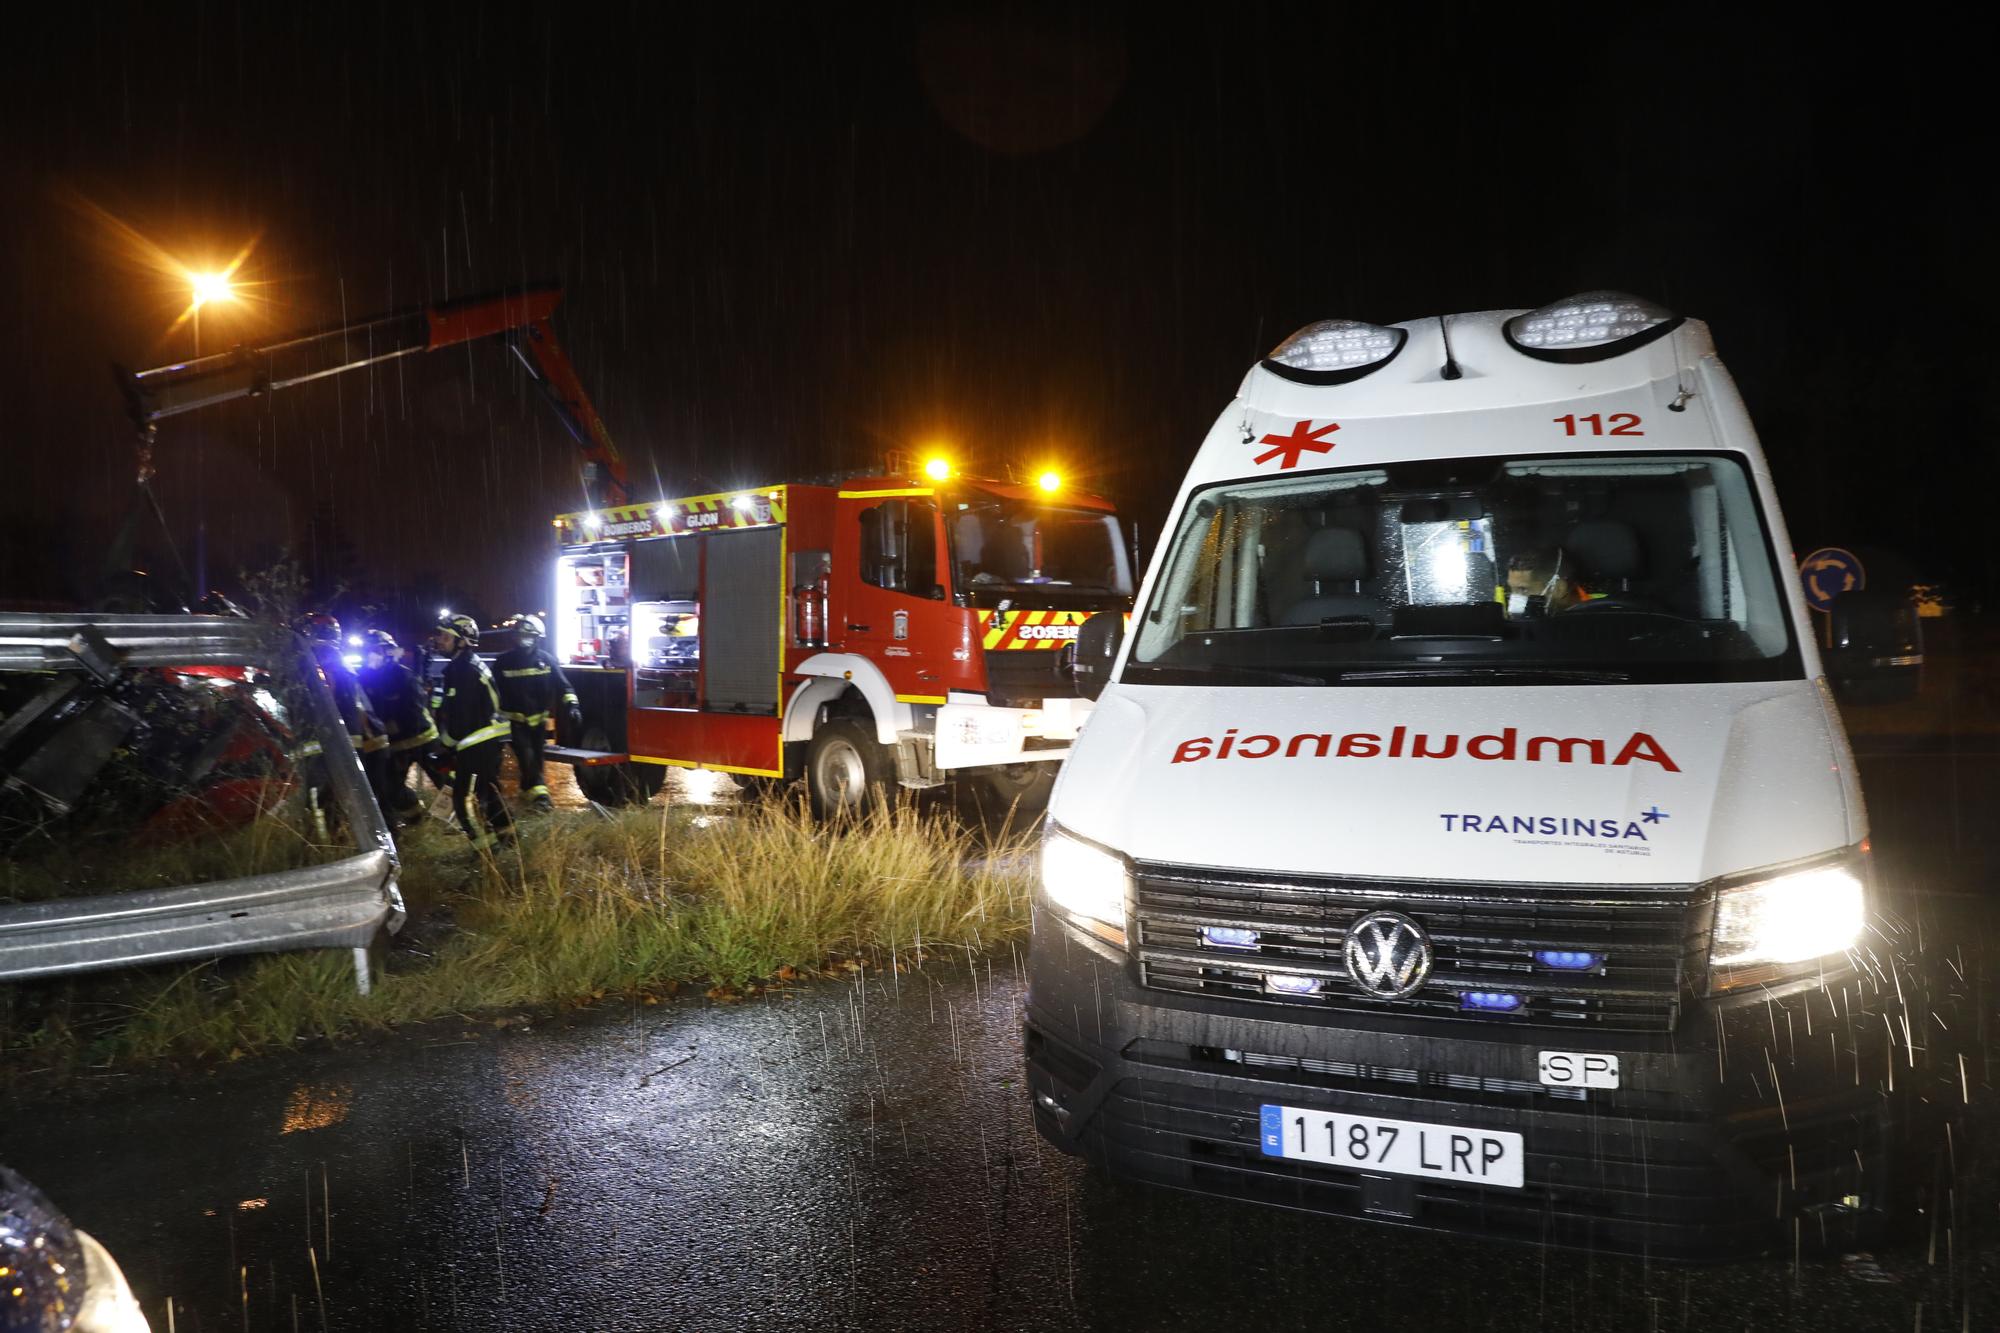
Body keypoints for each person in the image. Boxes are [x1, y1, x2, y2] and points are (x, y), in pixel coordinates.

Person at [432, 612, 513, 850]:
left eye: (446, 637)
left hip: (476, 744)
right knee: (489, 790)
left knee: (463, 801)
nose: (440, 641)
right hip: (484, 742)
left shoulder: (463, 671)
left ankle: (487, 853)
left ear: (461, 641)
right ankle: (509, 838)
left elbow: (461, 720)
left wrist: (444, 747)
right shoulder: (466, 665)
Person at [492, 613, 581, 813]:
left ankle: (527, 794)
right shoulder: (503, 662)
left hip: (538, 723)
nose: (522, 640)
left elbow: (564, 687)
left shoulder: (547, 661)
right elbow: (492, 691)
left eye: (527, 636)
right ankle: (542, 799)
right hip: (513, 723)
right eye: (519, 635)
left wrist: (572, 706)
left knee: (535, 761)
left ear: (537, 638)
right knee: (528, 757)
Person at [356, 629, 437, 822]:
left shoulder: (404, 676)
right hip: (396, 744)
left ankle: (462, 819)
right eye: (368, 650)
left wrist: (395, 730)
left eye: (376, 649)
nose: (371, 655)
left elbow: (414, 712)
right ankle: (417, 818)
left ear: (388, 652)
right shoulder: (364, 678)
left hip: (423, 739)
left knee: (445, 782)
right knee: (390, 786)